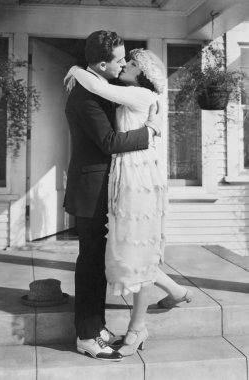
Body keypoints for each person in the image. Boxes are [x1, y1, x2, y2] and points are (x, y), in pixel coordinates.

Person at [65, 47, 193, 357]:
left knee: (136, 244)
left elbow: (98, 86)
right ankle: (176, 292)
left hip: (138, 174)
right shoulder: (129, 93)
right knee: (130, 246)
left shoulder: (140, 95)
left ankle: (138, 327)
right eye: (126, 60)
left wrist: (75, 70)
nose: (126, 65)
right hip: (127, 172)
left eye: (133, 63)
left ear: (144, 74)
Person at [63, 31, 159, 362]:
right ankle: (87, 336)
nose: (122, 64)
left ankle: (98, 327)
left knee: (97, 260)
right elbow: (107, 142)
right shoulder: (84, 96)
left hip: (104, 187)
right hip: (90, 189)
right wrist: (150, 132)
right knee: (89, 263)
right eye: (119, 59)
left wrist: (76, 69)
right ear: (102, 63)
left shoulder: (97, 85)